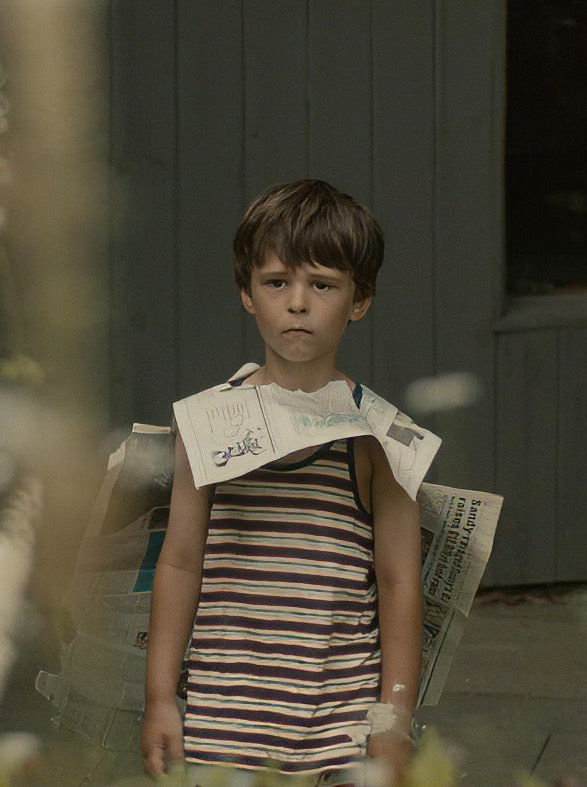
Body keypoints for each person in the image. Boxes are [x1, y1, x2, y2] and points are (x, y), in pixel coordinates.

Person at [140, 179, 427, 785]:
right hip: (224, 727)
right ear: (247, 293)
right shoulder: (207, 424)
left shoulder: (377, 439)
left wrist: (392, 723)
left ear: (359, 299)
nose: (297, 303)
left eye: (322, 285)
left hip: (341, 730)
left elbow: (400, 583)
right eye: (276, 283)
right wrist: (160, 697)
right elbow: (180, 561)